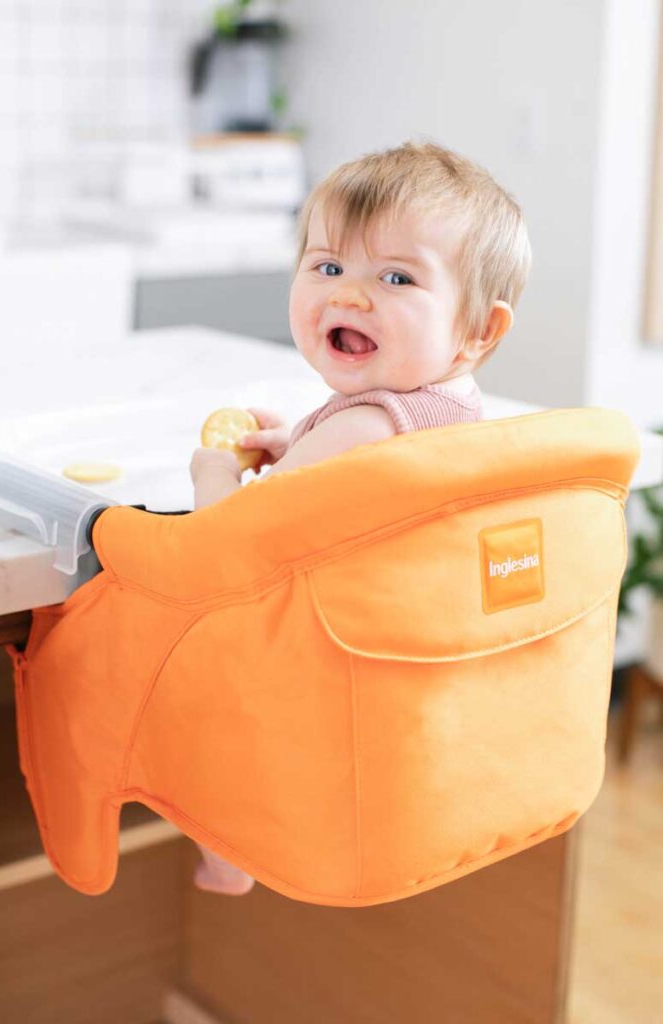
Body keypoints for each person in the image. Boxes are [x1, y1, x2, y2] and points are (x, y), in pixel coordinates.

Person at [189, 138, 532, 894]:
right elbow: (366, 478)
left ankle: (227, 848)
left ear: (480, 328)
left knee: (188, 673)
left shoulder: (365, 424)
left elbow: (229, 550)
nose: (348, 295)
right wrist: (298, 444)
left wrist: (213, 475)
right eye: (328, 266)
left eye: (397, 277)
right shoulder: (446, 402)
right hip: (391, 653)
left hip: (312, 658)